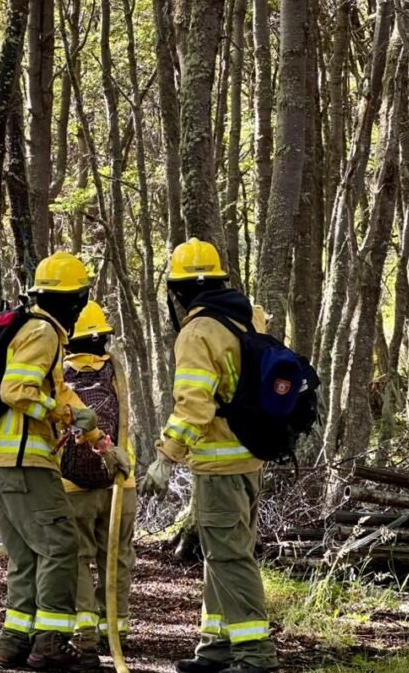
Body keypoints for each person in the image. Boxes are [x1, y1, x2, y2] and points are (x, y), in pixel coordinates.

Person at [141, 238, 279, 673]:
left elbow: (194, 405)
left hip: (219, 461)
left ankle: (255, 655)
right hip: (249, 457)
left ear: (179, 292)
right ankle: (217, 646)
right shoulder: (247, 318)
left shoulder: (198, 332)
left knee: (229, 557)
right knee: (223, 554)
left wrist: (166, 458)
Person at [0, 251, 105, 671]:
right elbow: (16, 391)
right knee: (61, 546)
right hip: (26, 463)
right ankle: (49, 642)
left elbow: (59, 394)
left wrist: (100, 441)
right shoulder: (44, 332)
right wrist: (64, 416)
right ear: (73, 300)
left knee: (27, 555)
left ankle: (13, 641)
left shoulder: (29, 328)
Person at [60, 301, 137, 657]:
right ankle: (116, 629)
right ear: (102, 337)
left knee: (77, 557)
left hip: (70, 485)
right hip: (120, 479)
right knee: (116, 556)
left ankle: (85, 632)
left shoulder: (59, 375)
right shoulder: (118, 371)